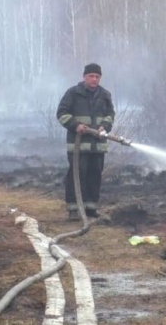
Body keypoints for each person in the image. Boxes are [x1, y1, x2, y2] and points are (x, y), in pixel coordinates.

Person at [56, 63, 115, 220]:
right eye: (91, 76)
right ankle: (73, 209)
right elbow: (62, 113)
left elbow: (110, 115)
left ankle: (91, 208)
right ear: (84, 77)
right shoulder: (73, 93)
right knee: (77, 175)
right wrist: (76, 125)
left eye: (97, 77)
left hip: (98, 145)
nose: (94, 79)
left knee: (95, 175)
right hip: (78, 145)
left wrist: (105, 127)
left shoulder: (105, 95)